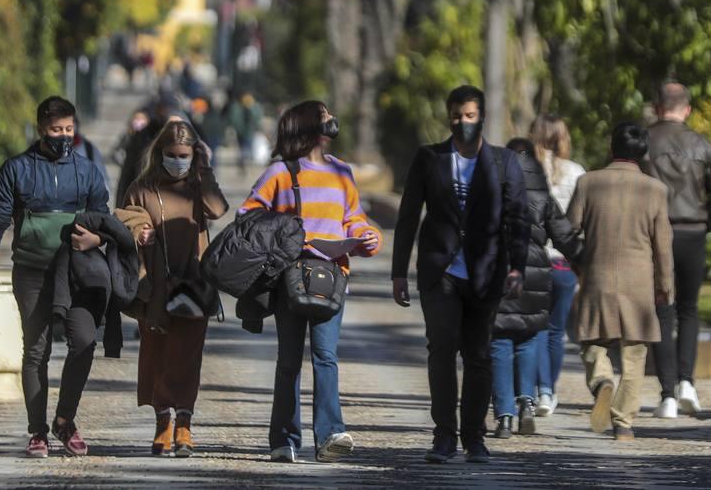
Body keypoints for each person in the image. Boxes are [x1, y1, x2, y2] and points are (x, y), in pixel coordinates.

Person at [392, 84, 529, 465]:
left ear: (482, 116)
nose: (462, 122)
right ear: (448, 116)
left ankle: (474, 437)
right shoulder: (429, 158)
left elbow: (518, 218)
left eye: (469, 115)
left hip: (486, 271)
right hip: (441, 270)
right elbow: (407, 216)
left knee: (479, 355)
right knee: (441, 350)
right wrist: (398, 272)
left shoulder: (503, 162)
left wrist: (517, 266)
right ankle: (443, 435)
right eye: (456, 115)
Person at [239, 100, 383, 464]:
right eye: (324, 117)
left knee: (326, 356)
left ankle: (331, 433)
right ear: (307, 128)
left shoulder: (342, 172)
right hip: (290, 278)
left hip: (333, 278)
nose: (332, 121)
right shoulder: (279, 173)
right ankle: (283, 440)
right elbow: (249, 215)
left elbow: (353, 218)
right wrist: (292, 239)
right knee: (288, 360)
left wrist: (367, 237)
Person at [0, 96, 111, 458]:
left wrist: (96, 238)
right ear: (40, 130)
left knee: (83, 342)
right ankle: (37, 431)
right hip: (32, 272)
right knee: (36, 349)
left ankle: (65, 420)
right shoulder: (16, 169)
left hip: (78, 272)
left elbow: (104, 219)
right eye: (56, 130)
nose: (64, 136)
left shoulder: (87, 171)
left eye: (69, 129)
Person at [122, 120, 229, 458]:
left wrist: (205, 167)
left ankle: (184, 423)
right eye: (171, 154)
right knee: (156, 354)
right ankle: (162, 421)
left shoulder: (197, 186)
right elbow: (125, 215)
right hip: (153, 284)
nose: (177, 160)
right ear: (159, 153)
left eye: (184, 155)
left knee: (187, 355)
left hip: (194, 282)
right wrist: (140, 227)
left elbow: (218, 209)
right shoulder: (143, 186)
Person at [567, 122, 674, 441]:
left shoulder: (588, 182)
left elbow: (569, 230)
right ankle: (623, 423)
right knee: (634, 354)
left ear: (612, 149)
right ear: (644, 152)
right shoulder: (655, 190)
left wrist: (579, 265)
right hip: (639, 282)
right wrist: (665, 286)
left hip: (597, 276)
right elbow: (663, 245)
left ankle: (602, 381)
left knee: (592, 345)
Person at [489, 138, 583, 440]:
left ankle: (503, 415)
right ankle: (527, 402)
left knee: (500, 340)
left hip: (498, 268)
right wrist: (584, 259)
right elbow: (564, 235)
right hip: (537, 271)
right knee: (528, 338)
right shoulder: (542, 192)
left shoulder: (493, 188)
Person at [643, 81, 711, 418]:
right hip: (693, 231)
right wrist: (709, 224)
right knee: (689, 309)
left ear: (657, 107)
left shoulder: (645, 141)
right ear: (687, 109)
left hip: (657, 230)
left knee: (662, 309)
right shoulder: (701, 144)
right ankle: (687, 381)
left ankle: (666, 395)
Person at [530, 114, 585, 416]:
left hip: (533, 261)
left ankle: (534, 390)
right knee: (556, 330)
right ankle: (548, 391)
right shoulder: (576, 173)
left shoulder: (525, 169)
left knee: (533, 329)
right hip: (563, 263)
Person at [117, 93, 185, 199]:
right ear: (158, 110)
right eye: (165, 109)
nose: (169, 115)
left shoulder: (185, 139)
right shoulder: (143, 136)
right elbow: (128, 175)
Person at [226, 92, 264, 172]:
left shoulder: (241, 108)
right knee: (245, 147)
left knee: (244, 147)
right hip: (245, 131)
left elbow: (256, 119)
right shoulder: (248, 108)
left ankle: (244, 161)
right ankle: (244, 161)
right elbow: (257, 119)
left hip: (246, 131)